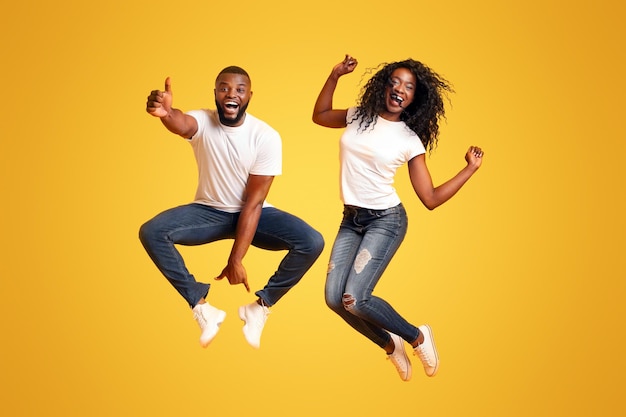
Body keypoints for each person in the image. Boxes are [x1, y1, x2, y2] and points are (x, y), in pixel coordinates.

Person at [312, 55, 484, 381]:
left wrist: (469, 169)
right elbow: (319, 115)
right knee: (335, 299)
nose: (400, 89)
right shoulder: (358, 116)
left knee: (356, 299)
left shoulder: (408, 139)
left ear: (413, 98)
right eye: (395, 82)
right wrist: (335, 75)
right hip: (351, 219)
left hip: (385, 221)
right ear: (384, 85)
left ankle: (417, 337)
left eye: (408, 87)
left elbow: (430, 198)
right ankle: (391, 345)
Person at [139, 66, 324, 349]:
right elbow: (182, 122)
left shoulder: (266, 136)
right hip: (209, 213)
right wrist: (166, 114)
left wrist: (235, 260)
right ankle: (201, 307)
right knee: (151, 231)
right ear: (215, 93)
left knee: (312, 242)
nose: (231, 94)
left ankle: (260, 307)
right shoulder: (203, 120)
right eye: (224, 88)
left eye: (239, 89)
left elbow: (254, 203)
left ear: (249, 95)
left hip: (257, 215)